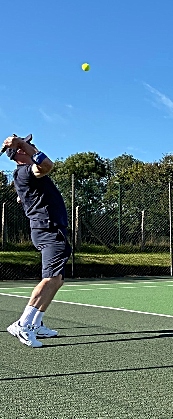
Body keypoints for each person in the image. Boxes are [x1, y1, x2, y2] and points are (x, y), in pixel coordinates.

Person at [4, 134, 71, 348]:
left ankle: (36, 322)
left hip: (50, 229)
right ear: (21, 152)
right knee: (50, 279)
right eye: (28, 144)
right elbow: (47, 165)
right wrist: (23, 144)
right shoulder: (26, 172)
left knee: (57, 279)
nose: (33, 145)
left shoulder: (24, 176)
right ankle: (23, 324)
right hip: (48, 229)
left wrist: (21, 145)